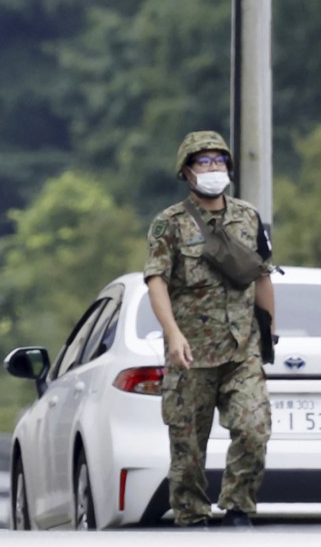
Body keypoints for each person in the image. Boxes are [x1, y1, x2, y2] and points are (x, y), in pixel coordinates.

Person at [144, 130, 275, 529]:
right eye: (203, 162)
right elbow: (156, 281)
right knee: (187, 449)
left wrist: (268, 334)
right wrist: (173, 335)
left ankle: (239, 508)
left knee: (254, 430)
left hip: (241, 350)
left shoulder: (248, 217)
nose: (213, 168)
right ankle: (193, 518)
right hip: (192, 354)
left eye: (219, 160)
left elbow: (262, 276)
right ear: (186, 171)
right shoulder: (169, 223)